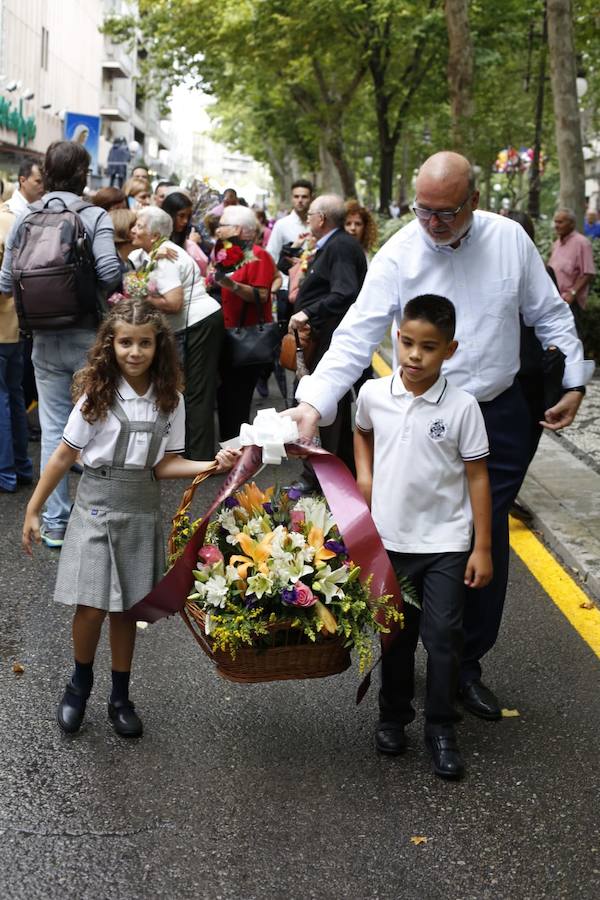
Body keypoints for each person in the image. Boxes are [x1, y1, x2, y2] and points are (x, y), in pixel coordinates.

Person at [289, 150, 592, 722]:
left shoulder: (508, 241)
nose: (432, 223)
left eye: (445, 213)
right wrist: (312, 404)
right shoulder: (400, 252)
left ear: (473, 202)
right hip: (415, 417)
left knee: (482, 530)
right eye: (421, 210)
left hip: (494, 414)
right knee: (414, 533)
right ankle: (408, 656)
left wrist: (574, 380)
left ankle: (465, 665)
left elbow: (550, 316)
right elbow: (356, 335)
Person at [21, 299, 239, 738]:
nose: (134, 352)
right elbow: (65, 455)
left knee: (125, 610)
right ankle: (79, 684)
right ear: (110, 345)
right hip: (96, 505)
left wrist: (209, 465)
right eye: (125, 343)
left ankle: (120, 696)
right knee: (91, 606)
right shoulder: (96, 395)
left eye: (144, 343)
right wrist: (34, 507)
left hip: (141, 508)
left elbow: (166, 464)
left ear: (159, 347)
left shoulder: (170, 400)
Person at [355, 295, 492, 779]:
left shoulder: (462, 407)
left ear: (449, 350)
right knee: (395, 637)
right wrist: (365, 478)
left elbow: (478, 477)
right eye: (407, 343)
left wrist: (482, 546)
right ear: (396, 339)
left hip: (446, 546)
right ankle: (393, 717)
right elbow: (362, 430)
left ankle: (441, 728)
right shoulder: (374, 394)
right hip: (389, 541)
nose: (414, 356)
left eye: (428, 347)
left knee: (443, 639)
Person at [0, 140, 122, 547]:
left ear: (46, 173)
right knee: (100, 424)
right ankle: (98, 517)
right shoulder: (93, 215)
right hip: (90, 336)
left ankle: (55, 522)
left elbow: (4, 281)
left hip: (42, 338)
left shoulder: (27, 216)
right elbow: (109, 271)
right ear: (84, 174)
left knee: (54, 428)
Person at [129, 206, 223, 460]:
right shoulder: (154, 252)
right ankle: (192, 452)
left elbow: (173, 303)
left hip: (199, 322)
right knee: (189, 388)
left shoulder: (163, 258)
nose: (133, 230)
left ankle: (199, 457)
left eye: (139, 226)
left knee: (196, 391)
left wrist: (140, 296)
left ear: (154, 233)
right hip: (194, 322)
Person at [287, 193, 367, 486]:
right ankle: (340, 471)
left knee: (324, 406)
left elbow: (345, 291)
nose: (307, 221)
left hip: (335, 337)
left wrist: (308, 312)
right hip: (327, 335)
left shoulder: (341, 247)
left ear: (320, 219)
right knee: (334, 409)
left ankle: (320, 476)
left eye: (309, 215)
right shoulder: (333, 245)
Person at [213, 204, 276, 440]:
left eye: (222, 226)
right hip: (226, 333)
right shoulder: (226, 254)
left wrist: (231, 285)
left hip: (246, 337)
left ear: (238, 229)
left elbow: (261, 295)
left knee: (237, 398)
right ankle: (229, 446)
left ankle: (236, 449)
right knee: (226, 395)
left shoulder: (259, 256)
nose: (218, 230)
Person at [0, 202, 33, 492]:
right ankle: (21, 467)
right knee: (14, 395)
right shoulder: (16, 219)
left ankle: (5, 473)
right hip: (16, 322)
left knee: (3, 399)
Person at [548, 208, 596, 333]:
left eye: (560, 222)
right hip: (555, 301)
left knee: (571, 341)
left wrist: (573, 293)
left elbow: (588, 272)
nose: (556, 226)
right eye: (555, 222)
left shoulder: (582, 243)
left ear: (572, 224)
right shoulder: (556, 244)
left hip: (571, 303)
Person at [161, 190, 208, 275]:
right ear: (170, 213)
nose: (185, 221)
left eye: (188, 216)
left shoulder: (186, 242)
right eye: (181, 216)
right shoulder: (154, 236)